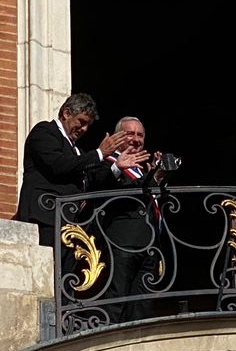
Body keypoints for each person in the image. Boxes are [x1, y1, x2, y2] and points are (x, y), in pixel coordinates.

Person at [16, 93, 128, 248]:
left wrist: (116, 167)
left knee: (65, 272)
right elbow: (58, 165)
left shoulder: (77, 150)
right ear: (66, 113)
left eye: (88, 125)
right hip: (45, 218)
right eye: (81, 122)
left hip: (71, 225)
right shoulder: (45, 131)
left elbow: (90, 183)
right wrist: (99, 153)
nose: (84, 129)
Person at [92, 116, 165, 324]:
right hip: (122, 242)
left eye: (140, 135)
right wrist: (117, 168)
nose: (136, 139)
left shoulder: (141, 168)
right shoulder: (107, 161)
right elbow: (97, 186)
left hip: (149, 244)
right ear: (118, 136)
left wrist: (156, 178)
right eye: (130, 134)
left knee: (142, 307)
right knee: (116, 302)